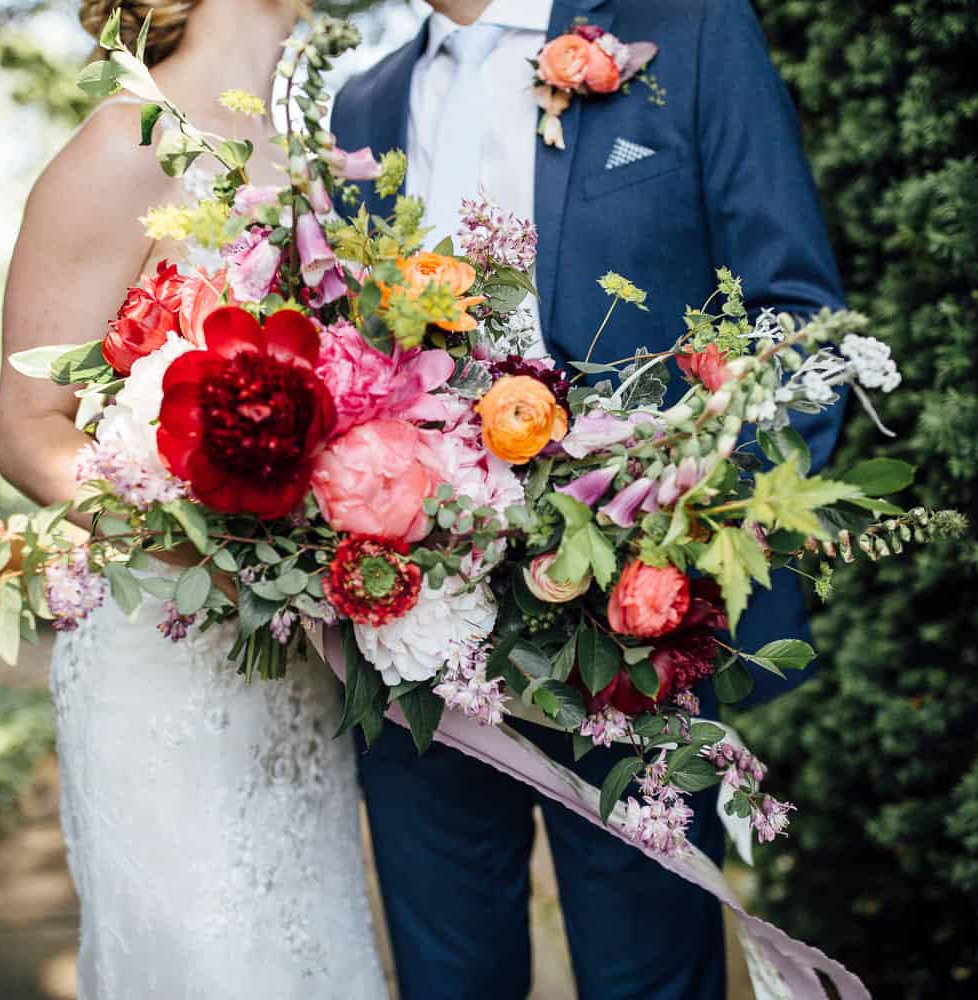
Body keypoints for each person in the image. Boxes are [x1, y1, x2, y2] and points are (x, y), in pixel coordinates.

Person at [332, 1, 847, 997]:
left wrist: (682, 544)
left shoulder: (691, 30)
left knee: (649, 978)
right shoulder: (365, 100)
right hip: (414, 653)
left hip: (628, 650)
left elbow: (794, 320)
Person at [0, 2, 388, 996]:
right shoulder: (123, 143)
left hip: (295, 663)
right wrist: (207, 533)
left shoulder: (310, 153)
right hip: (166, 660)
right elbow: (27, 430)